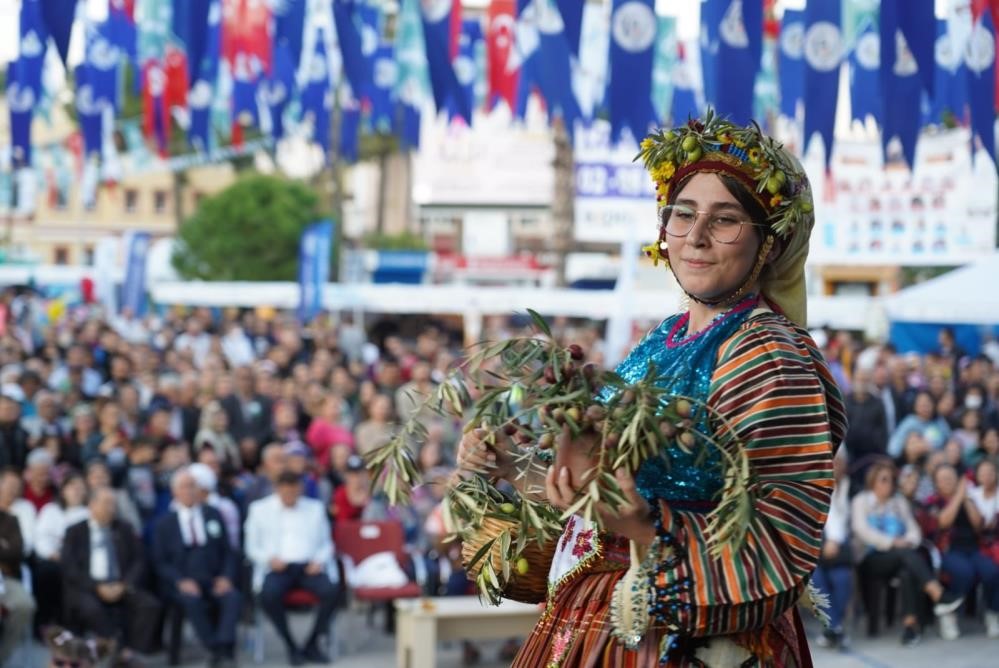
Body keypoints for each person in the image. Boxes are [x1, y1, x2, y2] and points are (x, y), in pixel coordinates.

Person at [457, 116, 848, 665]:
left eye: (726, 219)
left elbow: (779, 541)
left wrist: (636, 521)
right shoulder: (663, 337)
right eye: (683, 214)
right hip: (597, 619)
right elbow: (600, 487)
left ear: (768, 243)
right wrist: (511, 466)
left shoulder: (768, 356)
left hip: (695, 638)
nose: (696, 236)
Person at [851, 462, 961, 645]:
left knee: (907, 571)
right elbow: (861, 530)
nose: (889, 484)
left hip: (900, 557)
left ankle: (910, 627)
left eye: (891, 480)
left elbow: (914, 531)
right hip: (870, 559)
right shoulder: (861, 501)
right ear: (873, 482)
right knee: (905, 556)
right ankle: (938, 594)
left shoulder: (898, 502)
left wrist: (907, 540)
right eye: (884, 480)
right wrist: (893, 542)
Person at [244, 470, 338, 666]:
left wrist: (318, 560)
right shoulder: (259, 509)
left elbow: (326, 543)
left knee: (332, 591)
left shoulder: (315, 508)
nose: (290, 497)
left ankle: (312, 643)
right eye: (286, 493)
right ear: (277, 490)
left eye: (294, 493)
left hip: (307, 566)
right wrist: (269, 559)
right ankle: (290, 644)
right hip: (278, 566)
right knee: (268, 595)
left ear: (300, 490)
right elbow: (251, 547)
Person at [61, 487, 161, 663]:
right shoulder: (75, 531)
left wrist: (124, 585)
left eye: (114, 504)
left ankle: (132, 649)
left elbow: (139, 560)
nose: (111, 508)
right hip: (88, 587)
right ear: (92, 505)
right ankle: (118, 650)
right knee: (92, 609)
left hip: (120, 584)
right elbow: (69, 567)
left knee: (149, 605)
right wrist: (96, 587)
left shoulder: (124, 528)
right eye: (106, 504)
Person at [153, 468, 241, 667]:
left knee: (232, 597)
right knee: (191, 602)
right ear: (175, 492)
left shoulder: (213, 514)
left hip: (213, 577)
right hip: (184, 580)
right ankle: (215, 647)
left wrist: (226, 577)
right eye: (185, 487)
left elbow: (228, 551)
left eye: (193, 486)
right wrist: (180, 581)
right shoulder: (164, 524)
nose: (190, 491)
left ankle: (223, 645)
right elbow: (160, 561)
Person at [924, 463, 998, 640]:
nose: (948, 481)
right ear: (936, 483)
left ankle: (993, 612)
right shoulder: (932, 502)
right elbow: (943, 522)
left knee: (992, 571)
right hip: (947, 550)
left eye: (951, 478)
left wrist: (965, 498)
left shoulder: (969, 498)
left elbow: (978, 524)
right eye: (943, 479)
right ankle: (949, 614)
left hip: (973, 549)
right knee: (964, 572)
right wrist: (958, 495)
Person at [33, 473, 90, 632]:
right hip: (53, 559)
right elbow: (41, 538)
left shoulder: (89, 513)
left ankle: (69, 626)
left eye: (81, 487)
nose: (77, 491)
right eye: (72, 486)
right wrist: (53, 554)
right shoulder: (50, 510)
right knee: (46, 573)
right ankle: (44, 621)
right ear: (63, 490)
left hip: (79, 564)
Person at [812, 451, 853, 649]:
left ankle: (831, 630)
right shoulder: (813, 489)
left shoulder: (851, 488)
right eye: (833, 462)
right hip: (816, 550)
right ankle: (835, 628)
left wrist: (836, 541)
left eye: (840, 462)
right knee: (816, 579)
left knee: (842, 579)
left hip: (842, 551)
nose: (836, 466)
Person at [0, 500, 35, 664]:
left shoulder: (9, 520)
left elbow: (16, 552)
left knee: (25, 604)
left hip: (5, 579)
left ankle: (2, 657)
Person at [888, 391, 952, 457]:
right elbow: (897, 440)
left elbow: (948, 438)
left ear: (933, 405)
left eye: (927, 404)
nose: (925, 408)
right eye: (921, 404)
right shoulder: (910, 421)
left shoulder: (939, 421)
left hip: (936, 455)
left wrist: (927, 446)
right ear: (915, 406)